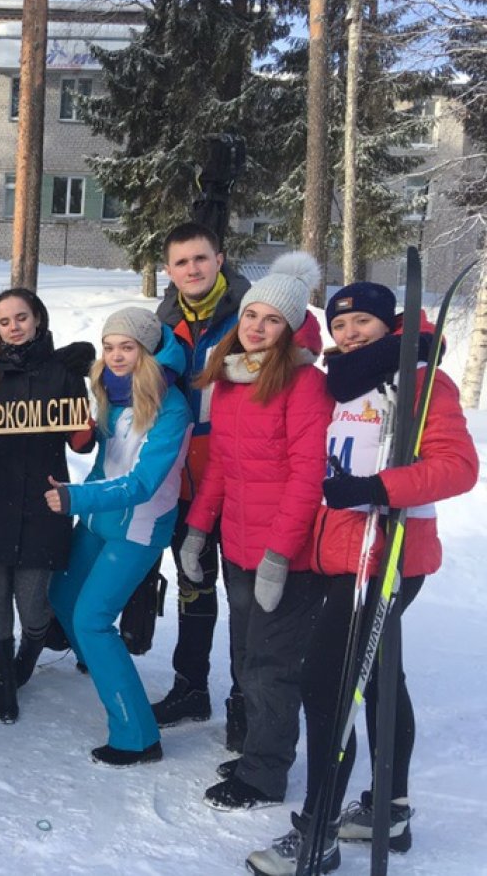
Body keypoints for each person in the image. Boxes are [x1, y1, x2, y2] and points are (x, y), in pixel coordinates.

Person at [246, 282, 478, 875]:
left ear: (388, 325)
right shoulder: (342, 383)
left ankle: (318, 832)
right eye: (340, 325)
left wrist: (377, 489)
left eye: (363, 324)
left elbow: (458, 467)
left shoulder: (420, 381)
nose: (349, 335)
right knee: (377, 682)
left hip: (385, 558)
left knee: (328, 685)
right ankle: (387, 811)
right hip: (345, 557)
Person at [183, 251, 332, 811]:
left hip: (286, 555)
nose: (258, 327)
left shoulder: (304, 384)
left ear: (290, 329)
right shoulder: (230, 381)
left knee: (272, 666)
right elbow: (221, 467)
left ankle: (265, 776)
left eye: (272, 320)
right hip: (239, 546)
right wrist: (198, 530)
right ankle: (254, 750)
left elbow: (308, 476)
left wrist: (279, 554)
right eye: (251, 316)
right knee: (246, 655)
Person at [45, 307, 190, 765]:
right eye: (109, 347)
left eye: (127, 347)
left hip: (139, 528)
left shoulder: (171, 407)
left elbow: (143, 483)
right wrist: (81, 497)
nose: (116, 356)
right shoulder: (112, 391)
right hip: (100, 520)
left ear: (147, 352)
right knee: (62, 595)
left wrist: (75, 498)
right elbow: (104, 463)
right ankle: (100, 659)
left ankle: (138, 737)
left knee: (92, 619)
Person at [0, 288, 94, 723]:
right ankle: (4, 680)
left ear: (37, 318)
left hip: (43, 497)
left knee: (33, 601)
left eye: (21, 317)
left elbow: (81, 441)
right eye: (4, 321)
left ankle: (31, 650)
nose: (13, 327)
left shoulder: (62, 371)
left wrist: (85, 428)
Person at [148, 222, 251, 751]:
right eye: (182, 262)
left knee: (247, 601)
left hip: (240, 483)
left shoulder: (247, 315)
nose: (192, 269)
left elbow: (300, 345)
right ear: (169, 271)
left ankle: (246, 703)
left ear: (219, 259)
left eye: (201, 258)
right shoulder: (166, 323)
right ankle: (191, 687)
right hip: (186, 483)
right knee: (194, 587)